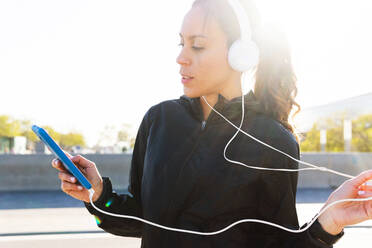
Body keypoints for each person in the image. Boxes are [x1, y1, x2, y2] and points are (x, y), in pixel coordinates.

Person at [51, 0, 372, 247]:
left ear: (240, 54)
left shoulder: (273, 140)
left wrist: (328, 222)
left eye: (198, 44)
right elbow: (143, 219)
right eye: (181, 43)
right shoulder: (159, 120)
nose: (181, 57)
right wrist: (98, 194)